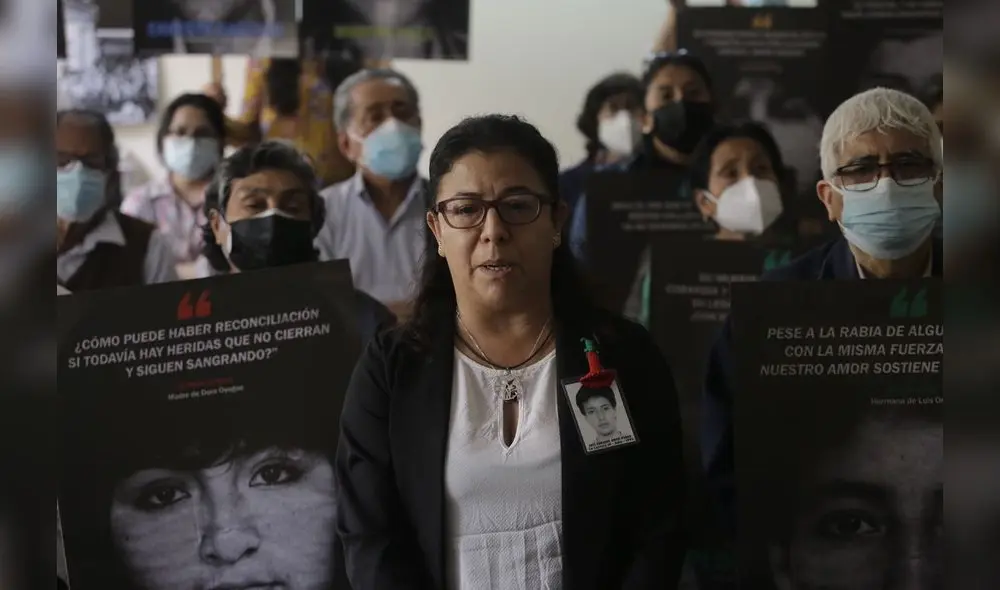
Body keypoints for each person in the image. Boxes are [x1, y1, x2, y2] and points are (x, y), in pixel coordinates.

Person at [335, 114, 686, 590]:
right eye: (466, 209)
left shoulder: (622, 354)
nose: (494, 230)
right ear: (437, 230)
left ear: (557, 220)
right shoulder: (392, 367)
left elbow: (658, 525)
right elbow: (371, 537)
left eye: (518, 206)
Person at [701, 86, 944, 536]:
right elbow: (730, 467)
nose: (886, 185)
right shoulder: (773, 310)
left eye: (909, 165)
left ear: (942, 184)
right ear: (828, 198)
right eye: (861, 170)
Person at [202, 140, 395, 343]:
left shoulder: (364, 321)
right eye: (255, 205)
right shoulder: (192, 327)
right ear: (217, 226)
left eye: (293, 207)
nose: (274, 218)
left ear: (314, 223)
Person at [315, 68, 428, 321]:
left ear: (419, 125)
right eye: (375, 117)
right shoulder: (322, 211)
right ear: (346, 144)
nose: (393, 125)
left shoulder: (451, 207)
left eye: (402, 113)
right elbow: (321, 308)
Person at [56, 109, 178, 292]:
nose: (78, 173)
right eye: (62, 160)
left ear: (111, 173)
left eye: (92, 162)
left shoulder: (147, 246)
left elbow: (168, 318)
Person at [203, 56, 360, 187]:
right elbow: (248, 131)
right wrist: (210, 110)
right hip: (281, 185)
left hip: (340, 186)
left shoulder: (346, 45)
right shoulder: (262, 62)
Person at [121, 93, 226, 280]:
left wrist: (166, 271)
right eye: (180, 132)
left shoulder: (232, 200)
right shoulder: (139, 203)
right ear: (163, 140)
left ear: (219, 142)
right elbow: (130, 270)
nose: (191, 142)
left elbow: (234, 264)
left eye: (202, 133)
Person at [688, 122, 797, 242]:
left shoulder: (810, 258)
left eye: (761, 168)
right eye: (731, 173)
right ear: (704, 202)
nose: (750, 180)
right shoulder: (692, 260)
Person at [560, 73, 644, 212]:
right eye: (613, 108)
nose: (625, 118)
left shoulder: (665, 178)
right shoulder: (567, 184)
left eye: (631, 107)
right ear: (595, 119)